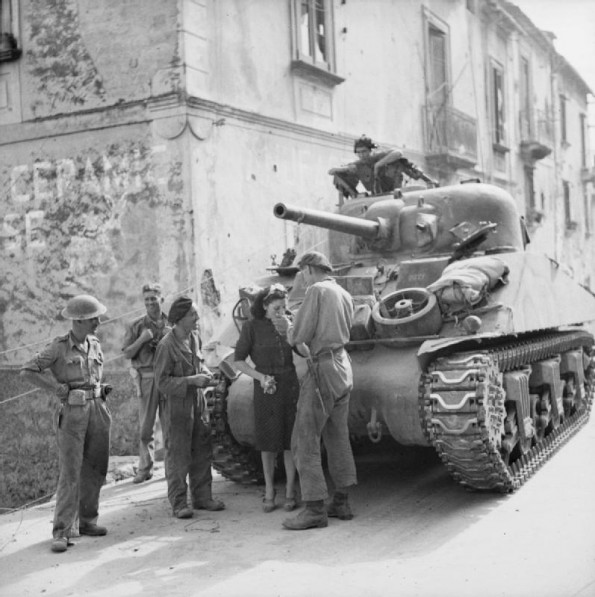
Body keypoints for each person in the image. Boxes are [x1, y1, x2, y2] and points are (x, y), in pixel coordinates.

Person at [19, 294, 111, 553]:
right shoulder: (58, 347)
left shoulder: (95, 343)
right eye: (94, 319)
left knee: (96, 468)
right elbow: (27, 370)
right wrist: (54, 388)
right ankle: (62, 530)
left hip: (98, 408)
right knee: (71, 472)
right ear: (79, 321)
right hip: (72, 413)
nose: (98, 322)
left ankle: (88, 521)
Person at [273, 251, 357, 530]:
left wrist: (287, 328)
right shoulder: (342, 292)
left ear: (309, 270)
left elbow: (299, 337)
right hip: (343, 366)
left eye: (302, 272)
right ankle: (341, 501)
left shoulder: (316, 290)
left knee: (304, 440)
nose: (301, 277)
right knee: (337, 436)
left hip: (321, 369)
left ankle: (314, 509)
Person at [154, 296, 225, 519]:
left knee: (202, 450)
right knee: (178, 455)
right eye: (193, 314)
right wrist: (191, 381)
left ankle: (203, 498)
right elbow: (161, 382)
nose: (197, 317)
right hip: (176, 407)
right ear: (180, 318)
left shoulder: (193, 338)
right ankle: (179, 503)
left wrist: (204, 373)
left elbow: (198, 361)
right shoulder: (166, 346)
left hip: (197, 403)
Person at [233, 284, 299, 513]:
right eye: (276, 308)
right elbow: (238, 360)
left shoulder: (289, 322)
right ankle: (270, 491)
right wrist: (260, 377)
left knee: (290, 441)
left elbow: (301, 349)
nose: (281, 312)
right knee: (268, 441)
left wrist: (290, 330)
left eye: (284, 307)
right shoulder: (252, 327)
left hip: (289, 384)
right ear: (264, 306)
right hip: (266, 387)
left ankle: (291, 491)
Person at [121, 282, 170, 484]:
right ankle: (144, 467)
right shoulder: (136, 325)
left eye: (154, 298)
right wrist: (142, 340)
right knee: (146, 428)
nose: (150, 302)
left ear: (162, 299)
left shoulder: (172, 323)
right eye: (147, 299)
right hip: (147, 379)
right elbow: (126, 353)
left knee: (170, 426)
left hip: (168, 378)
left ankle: (171, 467)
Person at [328, 134, 437, 199]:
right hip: (376, 198)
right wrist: (340, 169)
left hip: (397, 194)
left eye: (364, 151)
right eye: (358, 152)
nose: (362, 155)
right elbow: (333, 171)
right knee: (339, 175)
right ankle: (354, 197)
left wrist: (378, 164)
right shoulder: (358, 164)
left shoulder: (379, 156)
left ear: (371, 150)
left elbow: (398, 153)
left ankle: (430, 181)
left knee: (400, 162)